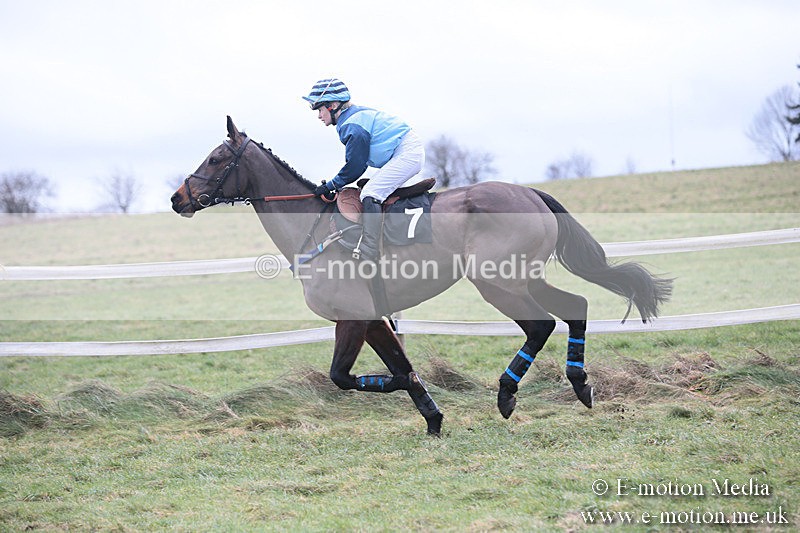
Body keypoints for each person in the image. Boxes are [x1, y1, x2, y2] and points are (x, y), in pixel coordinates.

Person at [303, 78, 425, 261]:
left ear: (333, 105)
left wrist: (331, 185)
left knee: (371, 192)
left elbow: (356, 166)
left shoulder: (352, 125)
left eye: (320, 109)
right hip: (404, 150)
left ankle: (370, 248)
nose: (319, 116)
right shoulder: (351, 118)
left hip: (407, 152)